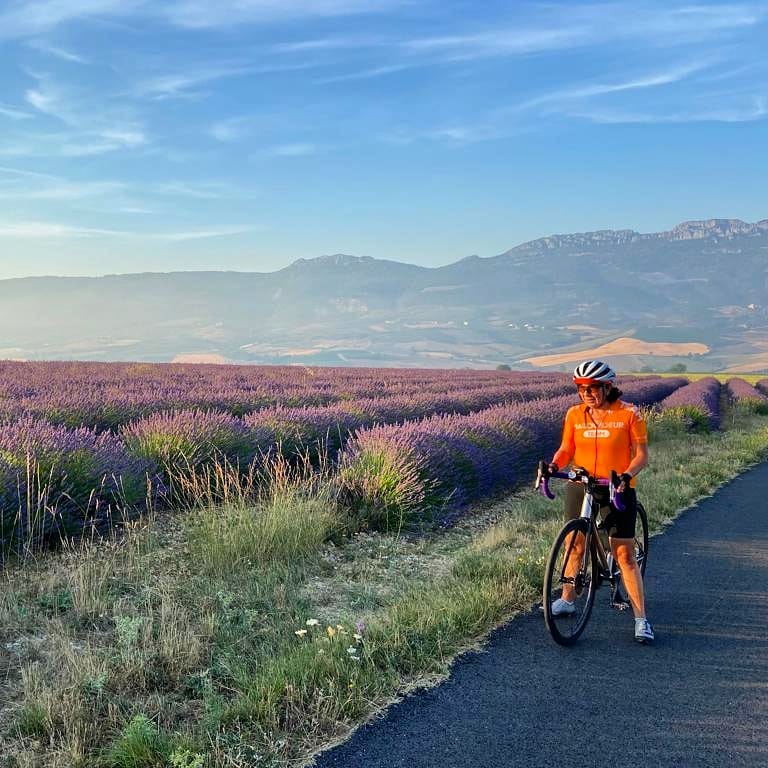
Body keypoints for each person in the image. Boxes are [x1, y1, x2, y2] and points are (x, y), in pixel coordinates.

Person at [547, 360, 653, 643]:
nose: (587, 393)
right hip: (581, 484)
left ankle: (641, 618)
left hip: (616, 487)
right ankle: (568, 599)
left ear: (608, 387)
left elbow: (641, 454)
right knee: (574, 543)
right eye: (582, 388)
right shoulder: (574, 414)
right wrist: (553, 465)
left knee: (624, 555)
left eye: (593, 388)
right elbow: (567, 448)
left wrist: (626, 475)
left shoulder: (629, 413)